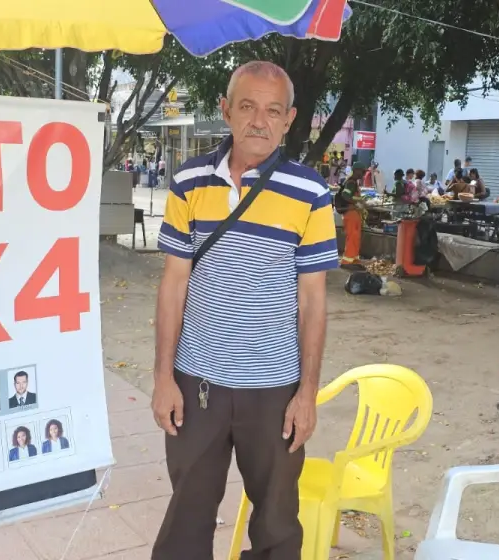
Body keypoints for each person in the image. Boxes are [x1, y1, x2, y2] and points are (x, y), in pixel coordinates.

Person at [151, 60, 335, 559]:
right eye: (248, 106)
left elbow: (312, 301)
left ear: (289, 118)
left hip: (274, 389)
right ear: (226, 110)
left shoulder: (311, 193)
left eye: (273, 111)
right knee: (187, 517)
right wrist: (163, 378)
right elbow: (174, 284)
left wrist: (308, 395)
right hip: (197, 383)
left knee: (277, 523)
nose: (259, 121)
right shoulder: (189, 181)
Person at [335, 167, 365, 267]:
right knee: (352, 236)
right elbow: (345, 195)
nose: (363, 174)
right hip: (351, 213)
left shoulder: (353, 182)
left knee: (355, 237)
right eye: (362, 171)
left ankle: (354, 259)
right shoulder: (351, 183)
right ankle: (347, 261)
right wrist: (356, 204)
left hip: (354, 213)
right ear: (357, 171)